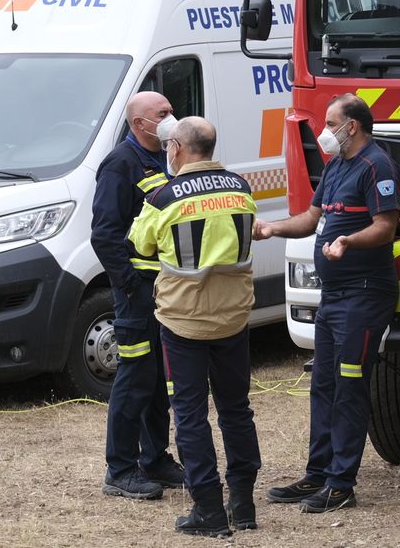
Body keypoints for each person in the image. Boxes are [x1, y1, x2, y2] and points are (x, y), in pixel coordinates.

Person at [254, 93, 400, 513]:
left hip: (365, 294)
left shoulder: (377, 166)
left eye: (331, 123)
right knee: (324, 384)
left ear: (352, 126)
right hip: (332, 296)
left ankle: (341, 484)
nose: (324, 131)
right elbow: (311, 218)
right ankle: (316, 474)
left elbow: (385, 226)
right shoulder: (336, 165)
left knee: (350, 385)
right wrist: (272, 229)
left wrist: (348, 241)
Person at [128, 117, 263, 537]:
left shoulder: (163, 197)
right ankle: (243, 504)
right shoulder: (241, 188)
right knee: (236, 410)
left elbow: (140, 244)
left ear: (178, 148)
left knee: (190, 415)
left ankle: (208, 510)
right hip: (234, 316)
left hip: (183, 321)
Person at [91, 91, 183, 500]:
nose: (171, 118)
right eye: (163, 113)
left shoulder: (166, 159)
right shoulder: (120, 163)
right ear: (139, 123)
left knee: (157, 379)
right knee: (135, 378)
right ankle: (121, 469)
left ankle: (155, 459)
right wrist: (129, 284)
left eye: (171, 111)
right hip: (137, 294)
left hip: (166, 290)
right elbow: (104, 234)